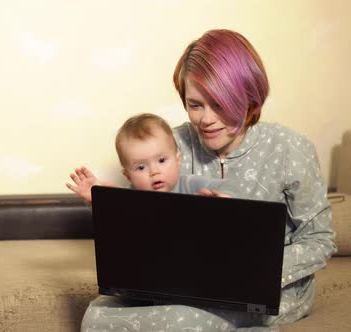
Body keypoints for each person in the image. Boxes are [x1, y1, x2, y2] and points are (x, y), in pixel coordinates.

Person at [80, 29, 337, 331]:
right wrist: (106, 205)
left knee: (185, 320)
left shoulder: (291, 148)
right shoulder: (172, 145)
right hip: (184, 285)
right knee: (95, 318)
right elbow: (142, 220)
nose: (206, 119)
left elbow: (320, 240)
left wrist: (255, 263)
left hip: (262, 289)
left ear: (249, 95)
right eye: (195, 104)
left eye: (219, 103)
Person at [66, 113, 236, 203]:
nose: (154, 172)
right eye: (141, 167)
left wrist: (219, 199)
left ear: (178, 159)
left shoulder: (191, 185)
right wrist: (98, 197)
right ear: (128, 175)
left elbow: (231, 188)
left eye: (162, 160)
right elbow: (112, 217)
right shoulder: (129, 196)